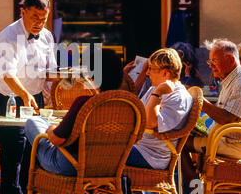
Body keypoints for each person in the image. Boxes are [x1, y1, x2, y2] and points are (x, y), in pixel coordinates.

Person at [25, 48, 193, 173]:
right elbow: (137, 112)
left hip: (127, 156)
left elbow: (148, 121)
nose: (147, 73)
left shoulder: (86, 103)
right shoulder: (124, 104)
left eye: (151, 69)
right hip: (114, 153)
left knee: (34, 124)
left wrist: (50, 130)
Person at [0, 0, 57, 194]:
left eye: (44, 18)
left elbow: (49, 72)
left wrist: (70, 76)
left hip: (35, 99)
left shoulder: (47, 36)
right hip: (8, 99)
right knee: (14, 156)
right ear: (23, 12)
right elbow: (6, 74)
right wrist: (23, 95)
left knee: (34, 153)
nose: (39, 23)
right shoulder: (8, 36)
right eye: (35, 17)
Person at [181, 39, 241, 194]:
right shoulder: (231, 79)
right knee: (184, 134)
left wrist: (199, 100)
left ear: (231, 60)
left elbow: (228, 119)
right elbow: (224, 118)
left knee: (179, 144)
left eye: (214, 61)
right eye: (209, 62)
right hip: (230, 139)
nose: (211, 66)